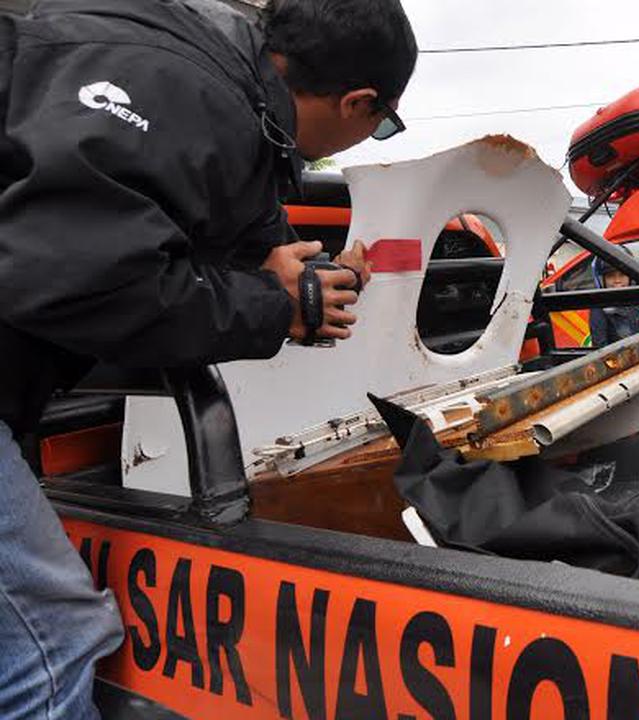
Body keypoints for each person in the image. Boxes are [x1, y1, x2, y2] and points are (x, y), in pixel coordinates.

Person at [0, 0, 417, 716]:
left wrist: (271, 265)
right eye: (377, 124)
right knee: (57, 636)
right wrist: (273, 308)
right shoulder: (185, 89)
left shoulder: (209, 81)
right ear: (357, 100)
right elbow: (80, 279)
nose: (361, 140)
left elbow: (153, 207)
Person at [589, 251, 639, 346]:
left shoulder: (637, 303)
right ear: (602, 280)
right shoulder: (599, 308)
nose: (617, 281)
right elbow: (600, 348)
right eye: (611, 276)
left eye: (622, 275)